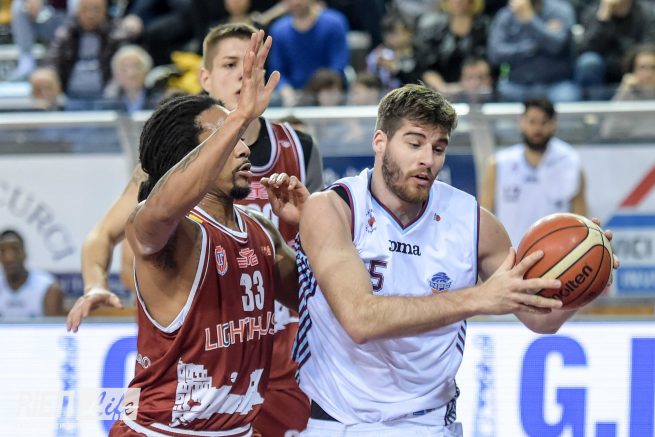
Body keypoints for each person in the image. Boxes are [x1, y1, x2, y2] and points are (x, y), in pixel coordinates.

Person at [288, 84, 615, 435]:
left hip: (428, 422)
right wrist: (479, 298)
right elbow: (359, 319)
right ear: (380, 141)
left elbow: (540, 319)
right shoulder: (334, 208)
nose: (428, 159)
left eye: (438, 148)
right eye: (414, 144)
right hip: (337, 421)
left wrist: (584, 282)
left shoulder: (473, 222)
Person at [68, 23, 320, 436]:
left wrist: (310, 226)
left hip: (251, 408)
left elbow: (318, 300)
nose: (242, 146)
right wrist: (239, 117)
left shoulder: (264, 227)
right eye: (230, 65)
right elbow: (154, 211)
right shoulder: (165, 226)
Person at [479, 97, 587, 247]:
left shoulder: (570, 163)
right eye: (532, 122)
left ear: (553, 124)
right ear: (521, 123)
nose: (537, 129)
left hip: (557, 254)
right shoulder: (498, 164)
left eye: (543, 122)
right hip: (511, 254)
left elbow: (581, 218)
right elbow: (484, 218)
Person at [487, 0, 581, 102]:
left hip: (556, 84)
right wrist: (529, 48)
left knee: (567, 97)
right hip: (517, 85)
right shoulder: (506, 15)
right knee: (502, 94)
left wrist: (530, 19)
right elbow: (495, 54)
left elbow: (557, 46)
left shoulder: (560, 10)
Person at [0, 229, 64, 318]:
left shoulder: (47, 288)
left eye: (15, 250)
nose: (9, 258)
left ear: (24, 253)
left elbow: (56, 326)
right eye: (3, 251)